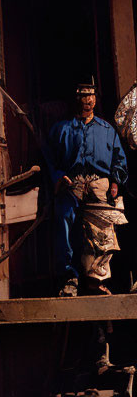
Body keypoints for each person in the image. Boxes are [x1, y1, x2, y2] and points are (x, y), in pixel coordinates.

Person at [49, 81, 128, 301]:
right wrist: (58, 177)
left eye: (91, 96)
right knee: (64, 218)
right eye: (83, 96)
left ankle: (98, 279)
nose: (87, 100)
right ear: (76, 99)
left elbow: (119, 160)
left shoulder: (107, 130)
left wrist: (115, 181)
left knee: (105, 228)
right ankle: (69, 278)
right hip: (71, 183)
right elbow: (50, 160)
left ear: (96, 99)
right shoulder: (61, 129)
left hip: (99, 184)